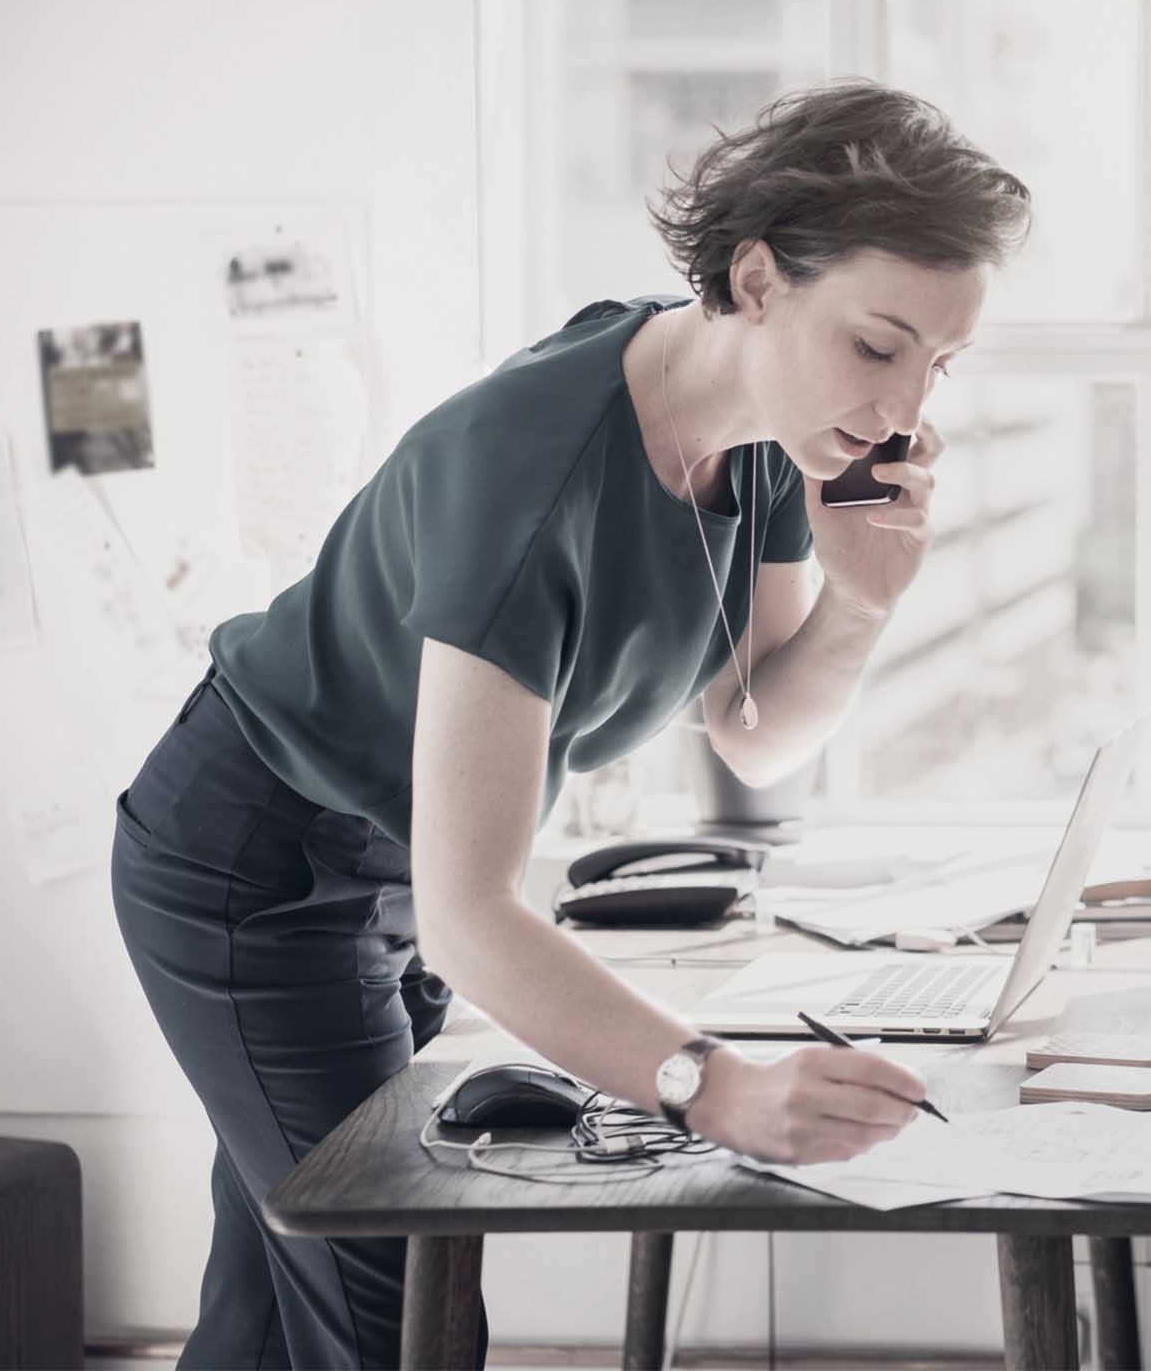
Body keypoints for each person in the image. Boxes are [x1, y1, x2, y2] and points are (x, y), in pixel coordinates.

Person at [110, 80, 1028, 1369]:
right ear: (756, 281)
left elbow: (752, 730)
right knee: (392, 1310)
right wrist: (719, 1090)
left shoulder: (768, 429)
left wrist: (863, 605)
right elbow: (472, 913)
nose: (903, 412)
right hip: (256, 856)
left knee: (278, 1303)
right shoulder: (532, 471)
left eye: (939, 365)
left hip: (391, 864)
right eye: (878, 347)